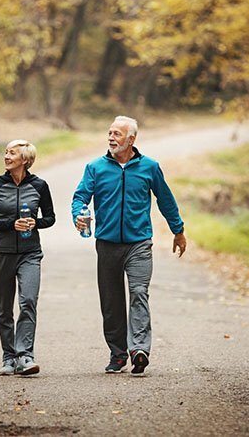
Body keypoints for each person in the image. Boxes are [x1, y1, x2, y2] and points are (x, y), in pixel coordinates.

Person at [72, 116, 186, 375]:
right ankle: (118, 353)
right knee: (111, 302)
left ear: (131, 140)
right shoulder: (95, 168)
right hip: (107, 244)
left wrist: (178, 230)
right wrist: (79, 213)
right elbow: (80, 197)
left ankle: (139, 350)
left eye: (117, 134)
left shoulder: (149, 167)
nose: (111, 137)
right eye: (109, 132)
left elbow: (165, 200)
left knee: (138, 292)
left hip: (139, 243)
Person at [0, 139, 55, 376]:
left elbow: (50, 218)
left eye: (12, 153)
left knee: (28, 301)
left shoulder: (40, 185)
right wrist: (11, 224)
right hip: (2, 254)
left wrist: (36, 222)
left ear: (25, 159)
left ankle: (25, 356)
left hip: (30, 253)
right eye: (6, 152)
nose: (7, 156)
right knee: (4, 309)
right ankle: (8, 357)